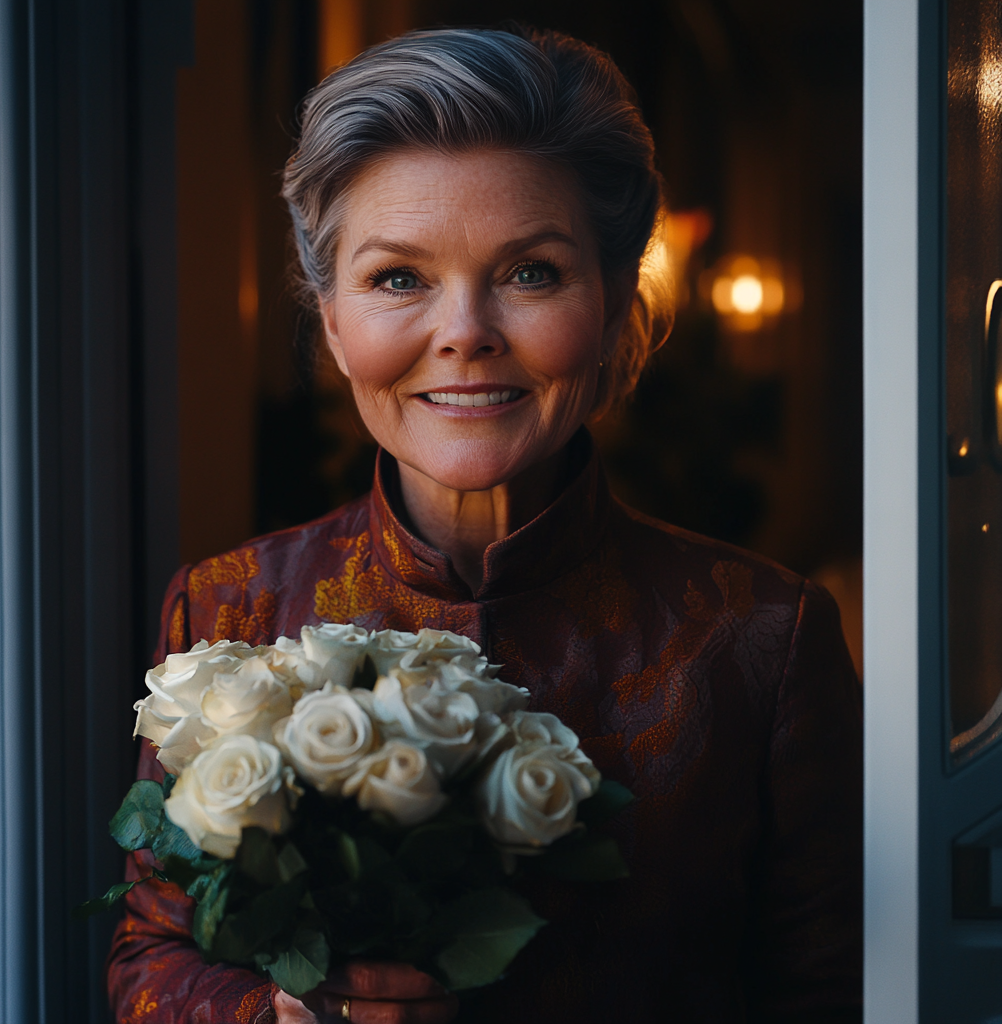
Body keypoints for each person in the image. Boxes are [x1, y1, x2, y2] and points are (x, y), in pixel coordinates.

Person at [107, 25, 862, 1024]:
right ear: (333, 321)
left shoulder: (765, 638)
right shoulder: (228, 606)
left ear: (615, 305)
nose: (464, 329)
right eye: (398, 278)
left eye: (531, 271)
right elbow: (150, 951)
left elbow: (831, 995)